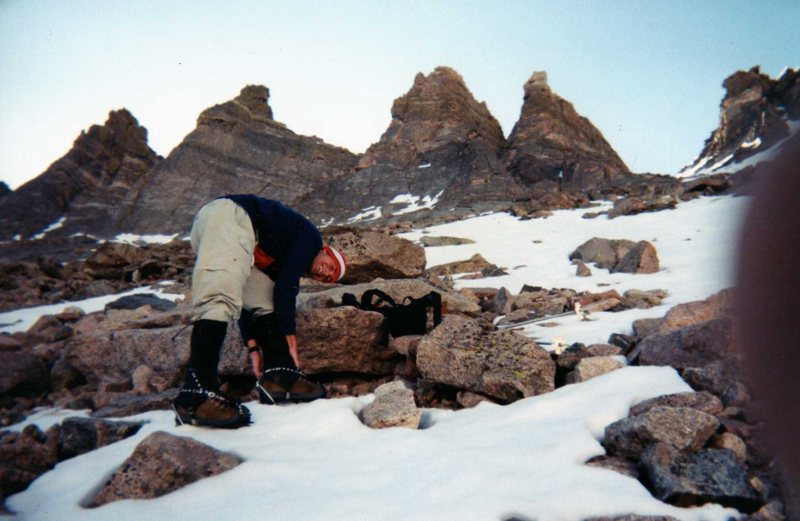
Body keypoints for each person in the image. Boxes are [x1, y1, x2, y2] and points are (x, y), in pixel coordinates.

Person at [173, 194, 347, 428]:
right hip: (230, 216)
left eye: (330, 278)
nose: (327, 273)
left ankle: (279, 376)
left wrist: (253, 345)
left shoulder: (281, 260)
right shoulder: (311, 238)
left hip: (235, 232)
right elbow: (287, 286)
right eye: (331, 266)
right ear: (326, 250)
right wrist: (290, 336)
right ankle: (196, 392)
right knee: (219, 298)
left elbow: (251, 302)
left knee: (265, 299)